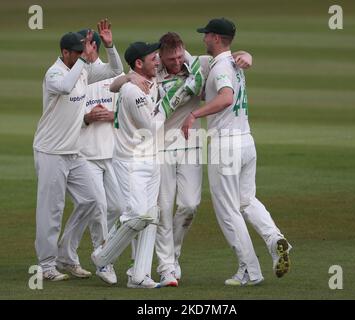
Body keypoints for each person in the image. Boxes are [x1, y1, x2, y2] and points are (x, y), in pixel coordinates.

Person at [110, 34, 253, 287]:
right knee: (164, 209)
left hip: (191, 145)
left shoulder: (201, 64)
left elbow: (228, 60)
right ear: (161, 57)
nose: (176, 62)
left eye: (179, 56)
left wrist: (246, 56)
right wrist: (129, 76)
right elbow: (114, 85)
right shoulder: (153, 72)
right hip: (161, 148)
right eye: (170, 59)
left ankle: (173, 255)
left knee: (189, 205)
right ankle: (166, 268)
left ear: (184, 51)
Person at [182, 18, 291, 286]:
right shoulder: (233, 62)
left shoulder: (221, 66)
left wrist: (195, 113)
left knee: (228, 211)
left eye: (206, 34)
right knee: (246, 201)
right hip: (246, 141)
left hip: (226, 145)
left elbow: (226, 97)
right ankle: (275, 239)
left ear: (216, 38)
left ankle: (249, 271)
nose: (203, 38)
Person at [33, 19, 123, 281]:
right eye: (77, 53)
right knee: (51, 209)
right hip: (50, 151)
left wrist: (110, 46)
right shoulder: (55, 73)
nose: (82, 57)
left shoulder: (81, 69)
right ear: (65, 53)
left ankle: (65, 255)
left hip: (74, 152)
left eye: (82, 52)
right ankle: (47, 265)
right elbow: (64, 87)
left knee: (93, 200)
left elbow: (115, 70)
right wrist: (84, 60)